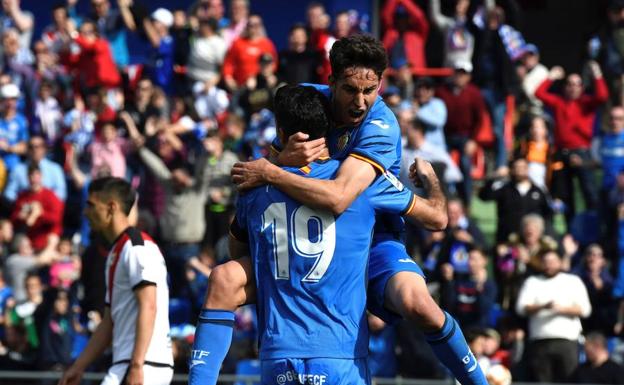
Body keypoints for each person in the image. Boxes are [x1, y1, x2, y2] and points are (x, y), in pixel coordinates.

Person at [223, 35, 488, 385]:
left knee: (418, 304)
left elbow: (340, 197)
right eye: (350, 89)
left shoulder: (381, 126)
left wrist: (272, 169)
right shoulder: (305, 101)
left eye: (370, 90)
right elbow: (275, 159)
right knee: (223, 279)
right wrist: (279, 160)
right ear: (330, 81)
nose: (360, 102)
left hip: (371, 235)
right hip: (303, 232)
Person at [224, 84, 435, 385]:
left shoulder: (257, 186)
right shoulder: (363, 181)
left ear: (282, 135)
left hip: (279, 352)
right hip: (340, 352)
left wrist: (274, 168)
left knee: (222, 279)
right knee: (422, 306)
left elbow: (236, 251)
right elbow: (436, 217)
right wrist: (432, 184)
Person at [58, 177, 173, 385]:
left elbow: (149, 305)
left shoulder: (137, 247)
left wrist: (137, 366)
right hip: (127, 364)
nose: (85, 212)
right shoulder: (117, 251)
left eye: (91, 205)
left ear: (111, 207)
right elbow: (109, 321)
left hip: (144, 365)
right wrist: (78, 366)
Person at [516, 250, 592, 382]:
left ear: (560, 262)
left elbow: (585, 310)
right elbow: (521, 308)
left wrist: (562, 309)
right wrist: (543, 306)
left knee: (569, 379)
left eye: (552, 261)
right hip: (540, 341)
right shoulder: (532, 282)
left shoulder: (573, 281)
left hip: (567, 341)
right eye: (546, 262)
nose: (549, 265)